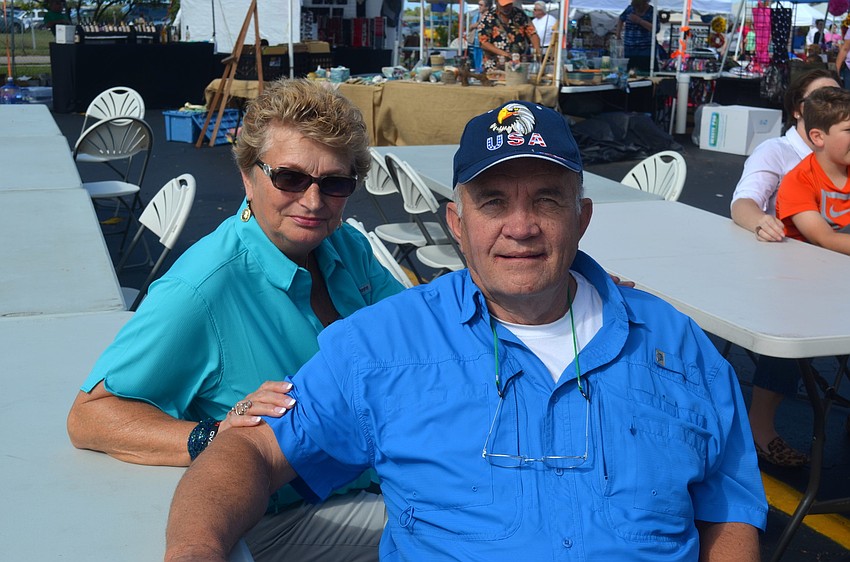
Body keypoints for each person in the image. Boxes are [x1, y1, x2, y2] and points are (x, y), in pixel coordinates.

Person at [165, 101, 767, 561]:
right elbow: (251, 449)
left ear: (581, 218)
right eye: (494, 202)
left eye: (548, 200)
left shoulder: (675, 344)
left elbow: (729, 504)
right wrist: (197, 552)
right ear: (457, 222)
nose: (522, 226)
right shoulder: (385, 345)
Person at [66, 78, 405, 561]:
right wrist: (211, 435)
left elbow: (413, 337)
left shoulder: (341, 245)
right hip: (284, 517)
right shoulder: (203, 288)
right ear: (248, 176)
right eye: (289, 178)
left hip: (369, 474)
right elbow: (90, 415)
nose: (312, 201)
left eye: (334, 183)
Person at [730, 69, 839, 468]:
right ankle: (761, 427)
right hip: (788, 275)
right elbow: (744, 202)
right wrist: (760, 220)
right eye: (823, 98)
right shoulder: (777, 153)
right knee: (790, 317)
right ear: (799, 111)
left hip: (831, 268)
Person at [776, 86, 850, 253]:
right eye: (849, 130)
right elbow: (825, 239)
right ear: (818, 137)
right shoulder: (798, 181)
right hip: (812, 264)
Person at [478, 0, 541, 71]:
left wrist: (537, 50)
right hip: (495, 66)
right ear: (496, 3)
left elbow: (532, 33)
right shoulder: (488, 18)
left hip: (518, 64)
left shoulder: (520, 15)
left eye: (509, 4)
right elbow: (483, 43)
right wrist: (505, 54)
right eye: (503, 6)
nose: (506, 8)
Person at [615, 0, 660, 73]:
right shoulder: (629, 9)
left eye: (639, 7)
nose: (636, 10)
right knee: (627, 73)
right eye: (635, 7)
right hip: (629, 49)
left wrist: (639, 21)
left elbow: (656, 29)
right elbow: (621, 19)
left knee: (646, 72)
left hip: (646, 50)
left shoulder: (651, 11)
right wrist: (618, 34)